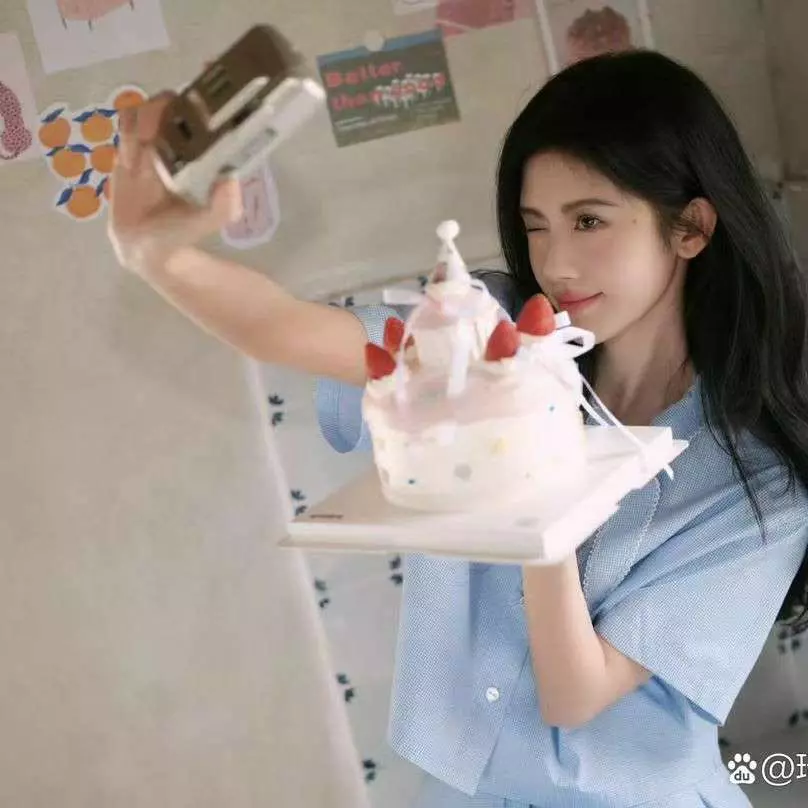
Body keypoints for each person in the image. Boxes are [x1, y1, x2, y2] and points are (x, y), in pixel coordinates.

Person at [107, 49, 808, 808]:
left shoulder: (758, 489)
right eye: (536, 226)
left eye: (589, 221)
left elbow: (575, 696)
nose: (557, 264)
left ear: (691, 228)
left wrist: (539, 483)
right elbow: (287, 329)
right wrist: (159, 258)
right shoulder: (488, 335)